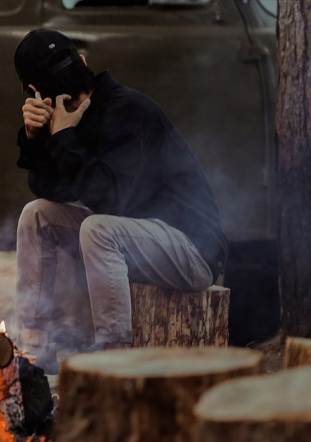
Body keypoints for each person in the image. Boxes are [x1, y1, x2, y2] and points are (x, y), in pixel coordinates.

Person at [13, 28, 228, 372]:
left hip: (192, 250)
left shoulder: (129, 111)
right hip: (137, 242)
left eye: (79, 99)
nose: (77, 105)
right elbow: (49, 189)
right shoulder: (67, 116)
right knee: (36, 215)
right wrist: (35, 139)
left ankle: (115, 360)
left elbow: (112, 199)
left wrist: (66, 136)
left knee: (97, 229)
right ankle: (33, 350)